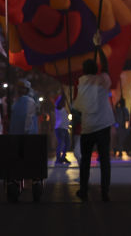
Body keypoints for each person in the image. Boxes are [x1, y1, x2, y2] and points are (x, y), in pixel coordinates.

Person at [73, 51, 115, 202]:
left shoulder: (81, 82)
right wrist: (100, 49)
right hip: (103, 126)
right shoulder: (102, 80)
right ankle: (105, 192)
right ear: (96, 69)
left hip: (87, 127)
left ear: (84, 71)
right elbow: (106, 67)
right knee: (104, 160)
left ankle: (83, 190)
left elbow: (78, 106)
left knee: (85, 161)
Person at [54, 94, 71, 165]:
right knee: (61, 144)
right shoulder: (58, 108)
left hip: (65, 128)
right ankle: (58, 158)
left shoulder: (63, 109)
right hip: (60, 128)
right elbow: (59, 102)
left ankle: (63, 157)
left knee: (67, 144)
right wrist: (63, 96)